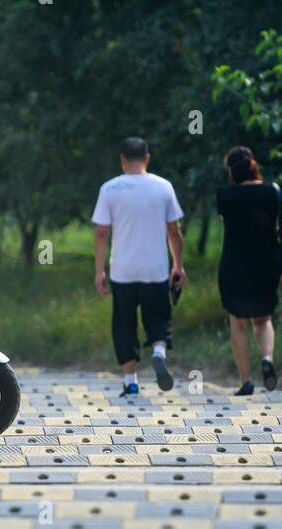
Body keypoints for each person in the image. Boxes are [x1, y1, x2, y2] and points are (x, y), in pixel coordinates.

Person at [92, 137, 186, 397]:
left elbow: (102, 234)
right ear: (147, 158)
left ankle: (131, 381)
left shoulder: (110, 189)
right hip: (155, 269)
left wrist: (99, 271)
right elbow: (174, 232)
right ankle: (158, 351)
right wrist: (178, 264)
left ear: (123, 159)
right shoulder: (163, 187)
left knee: (124, 324)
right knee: (158, 317)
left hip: (122, 271)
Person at [215, 146, 282, 395]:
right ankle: (267, 358)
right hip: (267, 262)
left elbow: (227, 221)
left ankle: (245, 380)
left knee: (238, 321)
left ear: (232, 171)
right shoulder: (274, 191)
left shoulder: (225, 196)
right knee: (263, 318)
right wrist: (279, 232)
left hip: (234, 265)